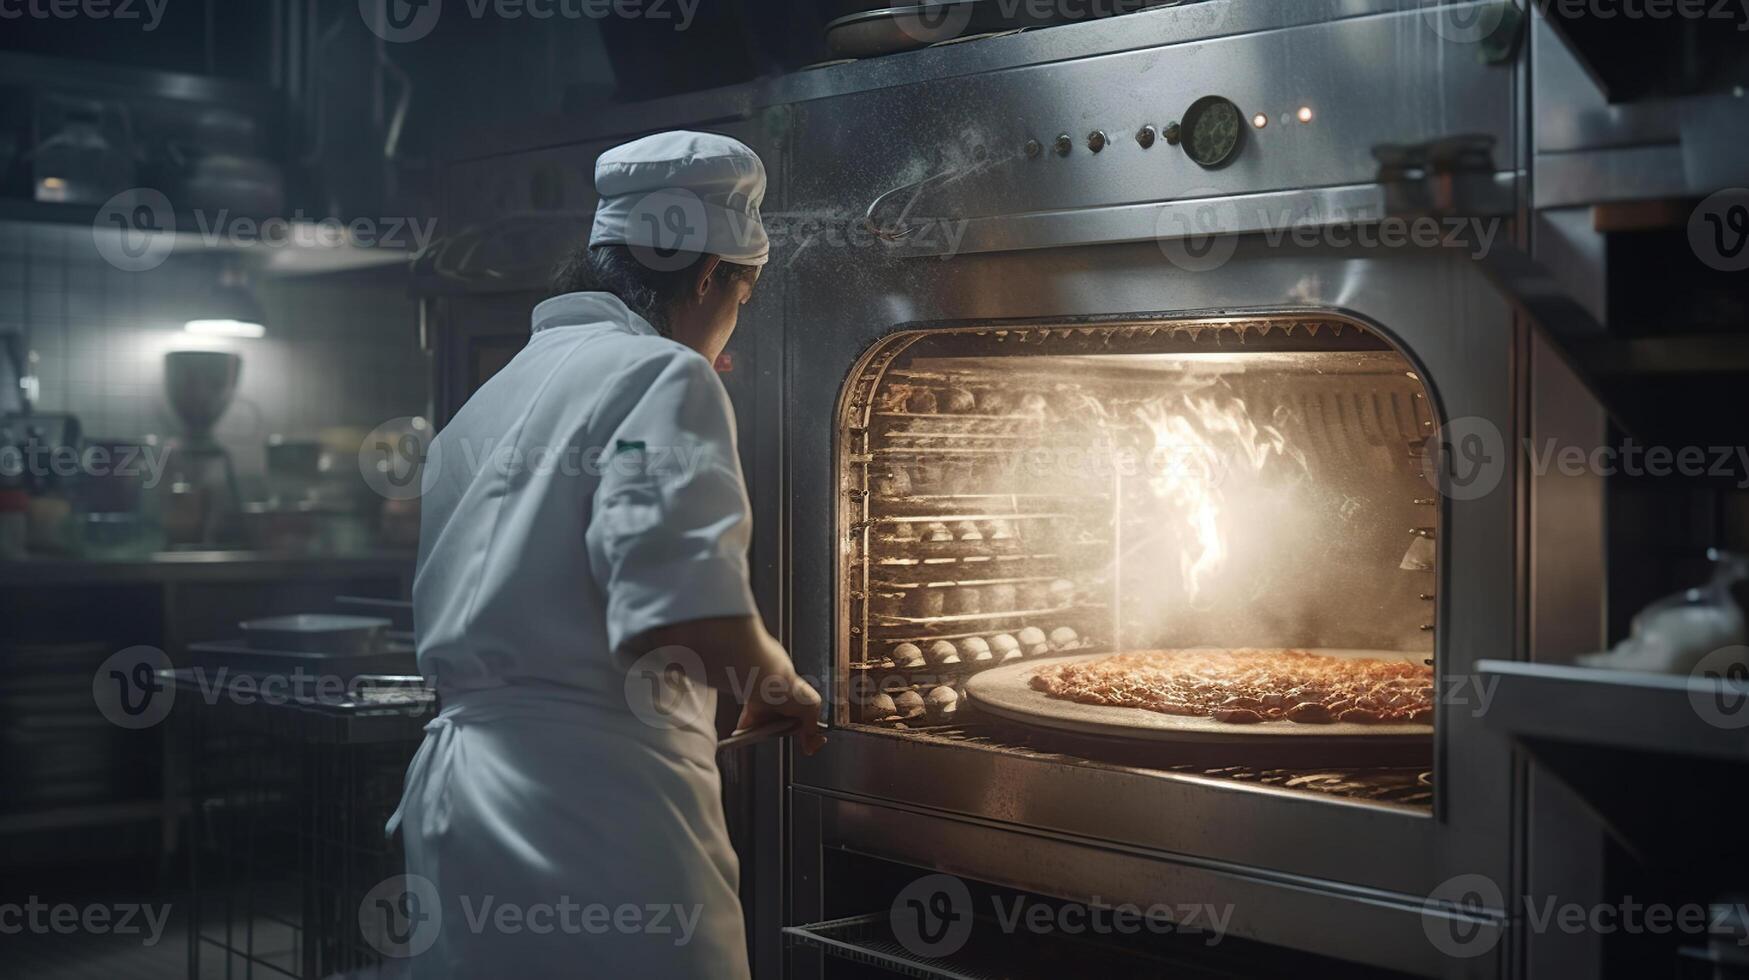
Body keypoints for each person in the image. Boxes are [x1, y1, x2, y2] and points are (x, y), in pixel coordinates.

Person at [387, 131, 824, 979]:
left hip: (461, 811)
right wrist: (778, 681)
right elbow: (675, 617)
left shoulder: (491, 397)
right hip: (595, 813)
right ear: (708, 276)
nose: (730, 327)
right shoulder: (663, 374)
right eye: (742, 297)